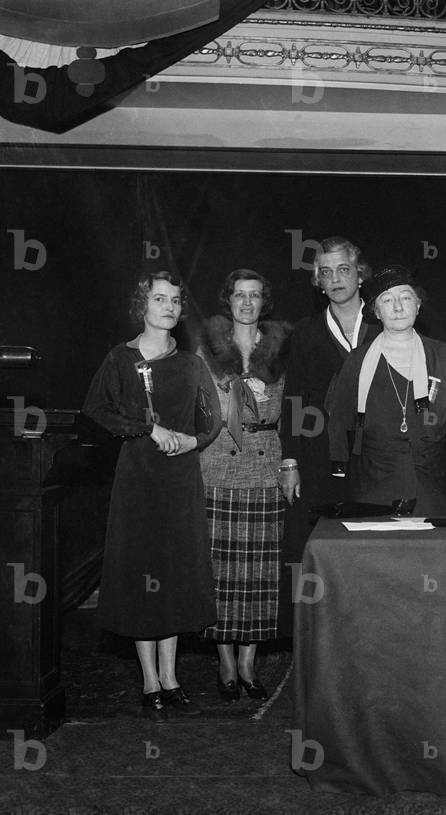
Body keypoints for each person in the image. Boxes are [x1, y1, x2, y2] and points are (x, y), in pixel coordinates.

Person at [83, 270, 221, 721]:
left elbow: (212, 420)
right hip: (137, 479)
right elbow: (96, 408)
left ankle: (171, 675)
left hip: (179, 481)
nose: (169, 307)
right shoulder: (120, 358)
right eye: (159, 299)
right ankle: (149, 679)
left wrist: (192, 441)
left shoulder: (191, 364)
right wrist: (148, 428)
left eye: (175, 301)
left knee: (173, 571)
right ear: (142, 305)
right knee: (143, 568)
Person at [195, 269, 290, 701]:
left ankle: (249, 663)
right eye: (239, 295)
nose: (247, 303)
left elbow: (295, 409)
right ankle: (225, 661)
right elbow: (196, 410)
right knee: (221, 571)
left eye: (255, 295)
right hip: (217, 466)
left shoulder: (281, 350)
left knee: (258, 572)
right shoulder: (206, 351)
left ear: (264, 302)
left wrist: (289, 463)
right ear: (228, 300)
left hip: (265, 466)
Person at [327, 265, 446, 516]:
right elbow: (340, 417)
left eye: (406, 298)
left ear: (418, 305)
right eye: (387, 300)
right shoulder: (358, 360)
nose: (398, 307)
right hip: (374, 479)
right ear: (376, 311)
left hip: (430, 478)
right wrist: (339, 461)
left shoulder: (440, 353)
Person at [280, 236, 379, 510]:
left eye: (343, 269)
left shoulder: (383, 327)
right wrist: (290, 461)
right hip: (319, 456)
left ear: (360, 274)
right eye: (326, 272)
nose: (335, 279)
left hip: (377, 456)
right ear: (319, 282)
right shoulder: (306, 331)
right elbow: (294, 399)